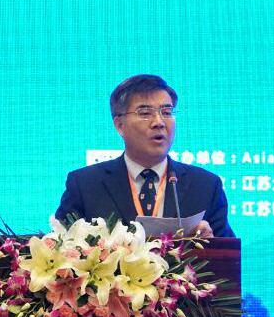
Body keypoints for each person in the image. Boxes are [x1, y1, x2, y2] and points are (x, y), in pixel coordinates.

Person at [55, 74, 234, 237]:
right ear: (119, 125)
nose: (159, 122)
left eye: (166, 112)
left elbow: (229, 256)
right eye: (145, 113)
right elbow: (58, 250)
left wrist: (212, 244)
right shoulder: (85, 184)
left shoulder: (206, 186)